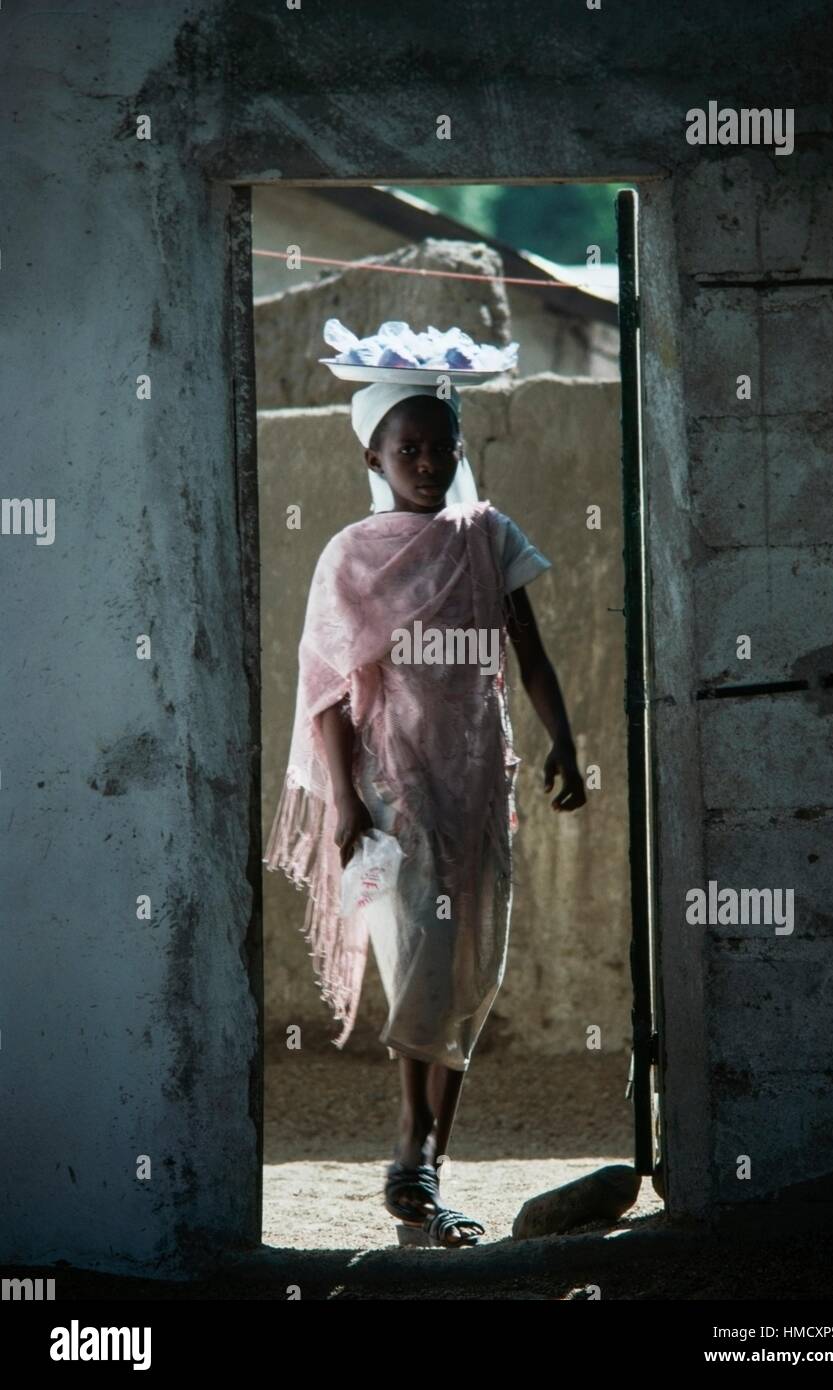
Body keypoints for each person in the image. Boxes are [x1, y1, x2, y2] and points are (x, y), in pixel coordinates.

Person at [264, 381, 586, 1247]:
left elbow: (528, 650)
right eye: (407, 449)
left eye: (440, 447)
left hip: (479, 785)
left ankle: (426, 1186)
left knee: (471, 980)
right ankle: (410, 1137)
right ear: (372, 456)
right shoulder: (351, 556)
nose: (426, 463)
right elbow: (327, 692)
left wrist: (561, 740)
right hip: (396, 789)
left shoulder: (485, 536)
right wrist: (340, 803)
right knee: (423, 969)